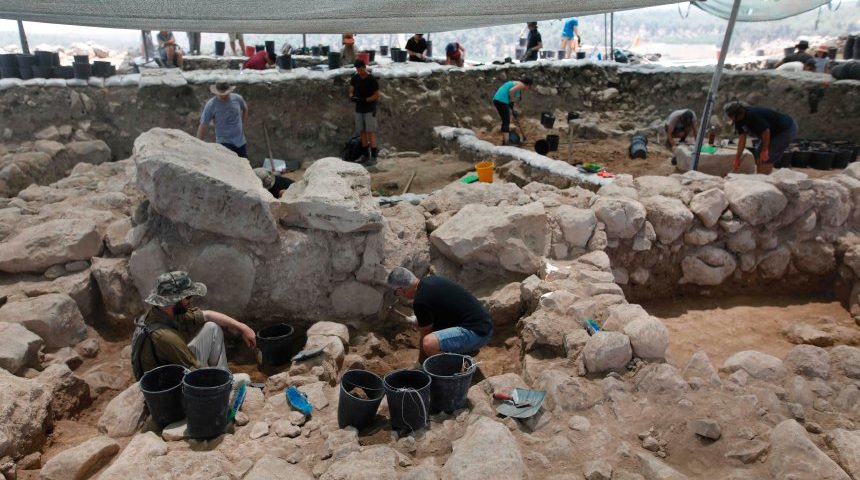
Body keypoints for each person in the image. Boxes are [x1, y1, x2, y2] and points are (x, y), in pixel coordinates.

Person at [133, 271, 256, 376]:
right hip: (168, 387)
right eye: (188, 297)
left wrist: (242, 327)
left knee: (212, 328)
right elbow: (196, 374)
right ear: (174, 299)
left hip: (173, 367)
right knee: (244, 379)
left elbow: (207, 315)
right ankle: (224, 382)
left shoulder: (164, 311)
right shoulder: (165, 337)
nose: (191, 300)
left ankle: (223, 373)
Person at [386, 267, 493, 362]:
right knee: (433, 334)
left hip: (477, 334)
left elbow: (425, 336)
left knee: (429, 344)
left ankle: (453, 368)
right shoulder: (431, 280)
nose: (398, 295)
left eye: (396, 292)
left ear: (401, 290)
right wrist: (416, 320)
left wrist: (421, 363)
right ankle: (464, 351)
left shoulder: (420, 301)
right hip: (484, 325)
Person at [725, 102, 798, 175]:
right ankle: (760, 176)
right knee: (759, 153)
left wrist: (765, 150)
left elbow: (766, 131)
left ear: (737, 114)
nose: (730, 118)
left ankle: (764, 179)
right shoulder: (738, 121)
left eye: (730, 116)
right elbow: (742, 140)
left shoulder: (753, 115)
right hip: (771, 132)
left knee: (767, 156)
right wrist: (737, 158)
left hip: (785, 130)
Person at [197, 82, 249, 159]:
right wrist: (197, 144)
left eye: (225, 94)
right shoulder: (211, 105)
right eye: (220, 94)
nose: (223, 96)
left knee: (244, 162)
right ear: (216, 92)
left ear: (229, 91)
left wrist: (243, 123)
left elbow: (245, 108)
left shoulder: (237, 99)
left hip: (240, 141)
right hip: (224, 142)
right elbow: (203, 125)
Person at [349, 59, 380, 165]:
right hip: (359, 108)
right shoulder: (355, 77)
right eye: (357, 70)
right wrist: (352, 97)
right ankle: (365, 154)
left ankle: (374, 156)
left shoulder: (371, 79)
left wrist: (366, 100)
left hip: (369, 108)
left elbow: (376, 95)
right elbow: (351, 89)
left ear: (364, 67)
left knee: (370, 131)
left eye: (360, 69)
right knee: (362, 131)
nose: (358, 71)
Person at [492, 77, 533, 144]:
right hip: (502, 100)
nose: (527, 89)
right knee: (506, 121)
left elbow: (514, 97)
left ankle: (505, 140)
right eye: (529, 87)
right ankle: (506, 142)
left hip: (497, 100)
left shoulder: (516, 84)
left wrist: (513, 107)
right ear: (527, 84)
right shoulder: (521, 84)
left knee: (505, 120)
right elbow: (511, 91)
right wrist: (510, 101)